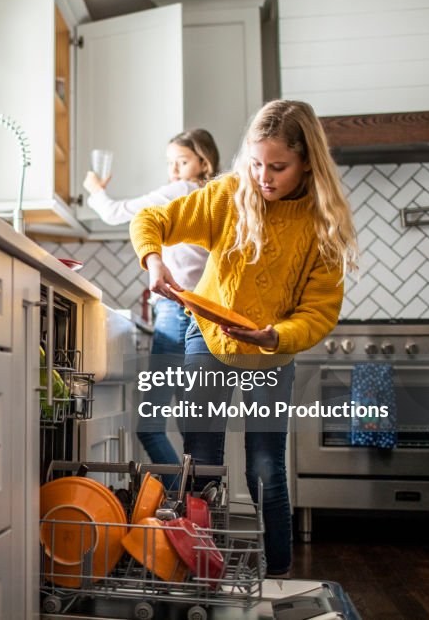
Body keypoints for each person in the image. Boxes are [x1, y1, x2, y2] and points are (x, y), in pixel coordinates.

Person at [129, 100, 359, 578]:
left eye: (278, 167)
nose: (263, 177)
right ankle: (203, 578)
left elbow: (319, 313)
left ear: (307, 164)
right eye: (256, 164)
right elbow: (151, 222)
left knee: (266, 472)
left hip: (272, 356)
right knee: (203, 468)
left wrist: (275, 335)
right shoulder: (229, 194)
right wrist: (154, 260)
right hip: (207, 341)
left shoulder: (322, 225)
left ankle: (276, 580)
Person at [83, 129, 219, 476]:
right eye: (170, 163)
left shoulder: (182, 191)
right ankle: (195, 510)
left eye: (182, 161)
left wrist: (96, 189)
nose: (174, 170)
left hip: (177, 312)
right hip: (202, 317)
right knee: (194, 430)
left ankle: (182, 503)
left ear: (204, 161)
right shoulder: (213, 197)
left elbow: (116, 214)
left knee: (151, 426)